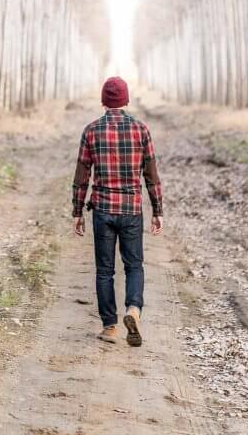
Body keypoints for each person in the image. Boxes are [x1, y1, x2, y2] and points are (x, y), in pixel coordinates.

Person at [71, 76, 164, 347]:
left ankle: (110, 327)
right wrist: (158, 209)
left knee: (105, 270)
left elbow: (82, 175)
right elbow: (151, 175)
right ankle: (133, 309)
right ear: (126, 100)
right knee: (134, 265)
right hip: (131, 210)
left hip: (102, 209)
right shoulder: (141, 130)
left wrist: (77, 211)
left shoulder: (91, 131)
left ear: (103, 101)